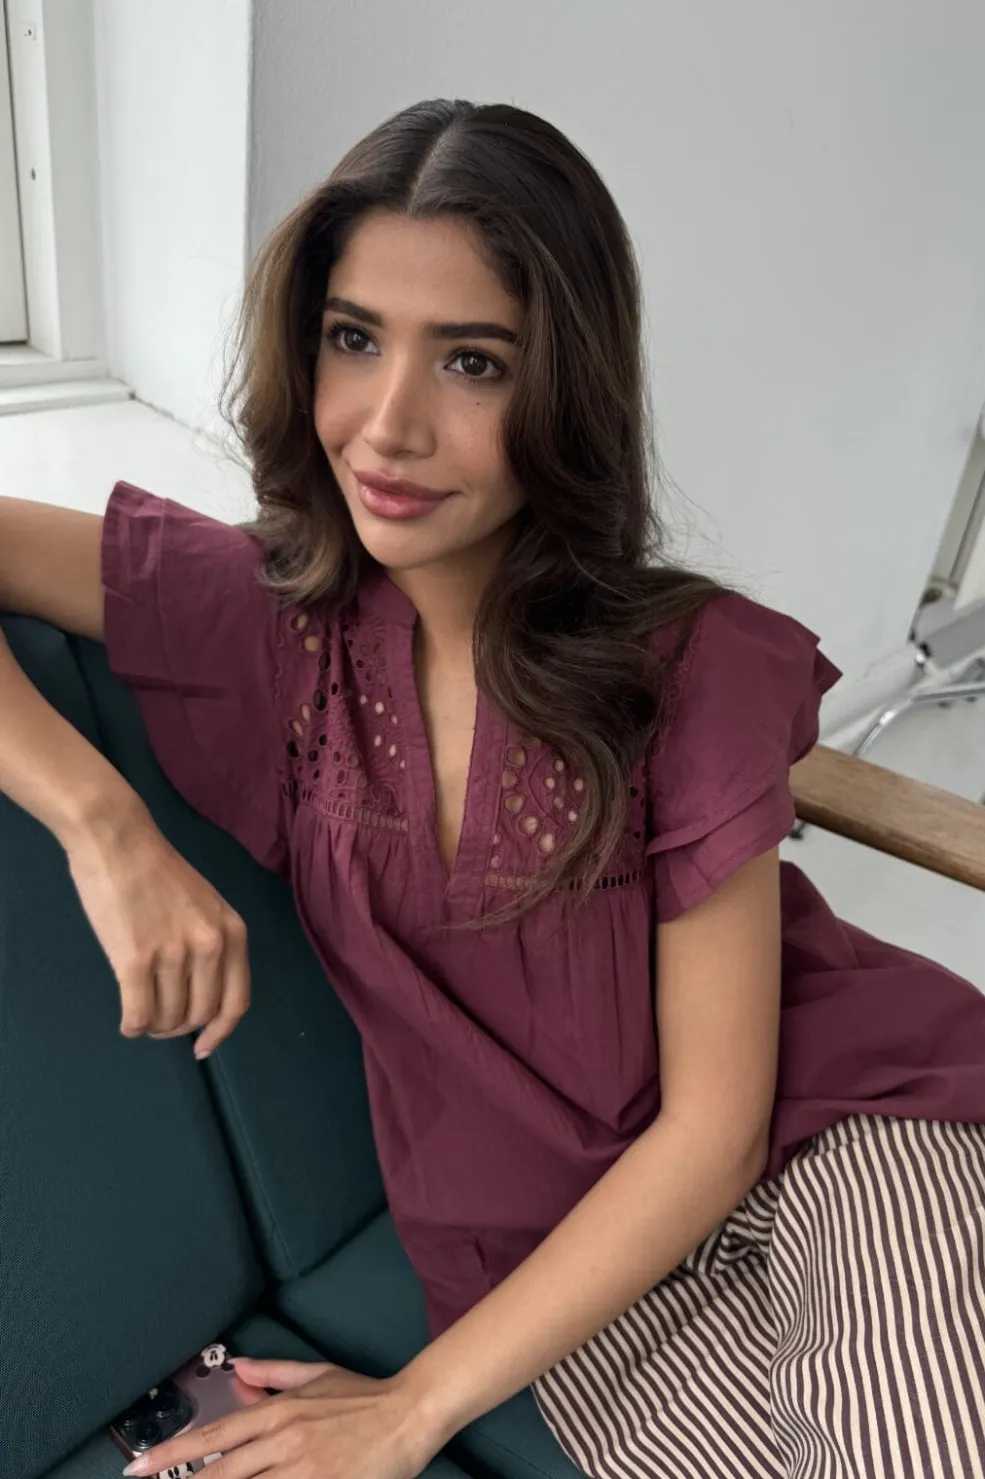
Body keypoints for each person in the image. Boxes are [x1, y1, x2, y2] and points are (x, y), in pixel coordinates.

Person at [1, 98, 983, 1479]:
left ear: (565, 390)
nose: (388, 426)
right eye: (354, 339)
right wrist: (102, 825)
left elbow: (717, 1128)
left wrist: (408, 1412)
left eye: (472, 361)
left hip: (842, 1138)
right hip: (569, 1276)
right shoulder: (267, 626)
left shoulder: (686, 667)